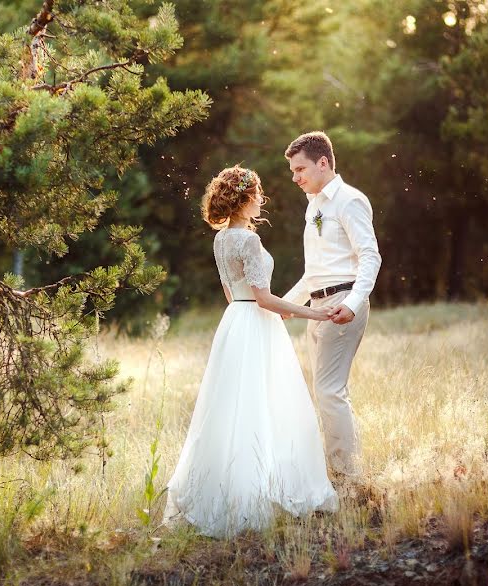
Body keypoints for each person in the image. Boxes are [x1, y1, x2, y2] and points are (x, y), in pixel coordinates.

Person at [163, 166, 339, 538]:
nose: (262, 199)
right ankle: (256, 492)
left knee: (233, 407)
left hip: (234, 324)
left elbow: (234, 295)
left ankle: (230, 486)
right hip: (257, 325)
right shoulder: (249, 242)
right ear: (244, 200)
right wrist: (312, 311)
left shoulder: (221, 241)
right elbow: (262, 298)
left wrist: (277, 309)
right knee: (269, 402)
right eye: (258, 193)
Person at [282, 131, 382, 486]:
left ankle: (347, 477)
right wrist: (287, 305)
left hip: (343, 302)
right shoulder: (314, 206)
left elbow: (370, 256)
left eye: (300, 169)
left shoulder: (350, 201)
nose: (295, 177)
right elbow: (315, 271)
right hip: (318, 305)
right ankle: (339, 470)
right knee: (326, 391)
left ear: (322, 162)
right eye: (293, 171)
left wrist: (353, 303)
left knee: (329, 391)